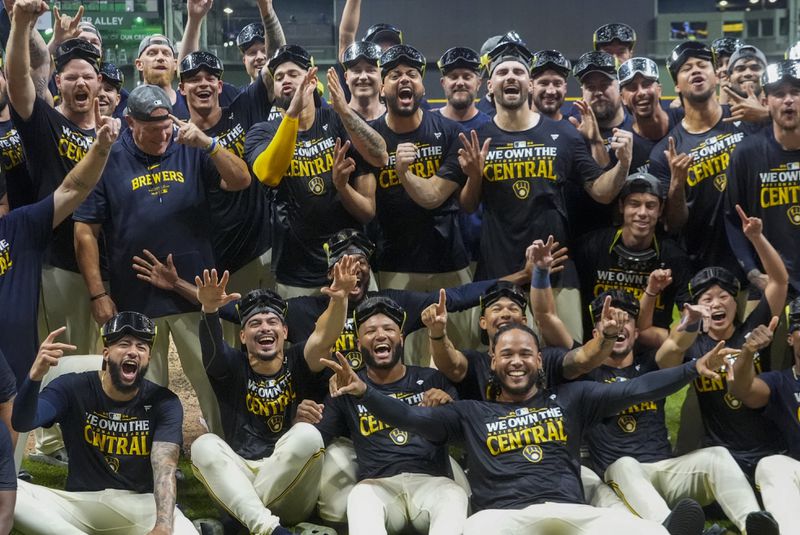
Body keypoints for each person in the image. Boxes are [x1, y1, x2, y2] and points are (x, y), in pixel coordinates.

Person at [321, 321, 737, 535]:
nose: (516, 360)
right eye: (506, 354)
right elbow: (411, 418)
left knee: (647, 532)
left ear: (540, 361)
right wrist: (365, 394)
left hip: (573, 512)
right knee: (473, 530)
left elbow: (637, 389)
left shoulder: (574, 398)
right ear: (493, 362)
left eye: (525, 353)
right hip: (504, 519)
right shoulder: (470, 413)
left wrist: (691, 369)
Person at [73, 84, 251, 437]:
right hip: (135, 295)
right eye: (151, 130)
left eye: (166, 127)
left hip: (194, 291)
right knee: (142, 386)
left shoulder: (190, 146)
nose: (162, 136)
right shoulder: (108, 157)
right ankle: (151, 459)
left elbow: (241, 179)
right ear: (129, 122)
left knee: (210, 375)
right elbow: (84, 231)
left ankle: (229, 450)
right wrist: (97, 293)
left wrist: (208, 143)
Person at [463, 38, 632, 342]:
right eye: (502, 73)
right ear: (489, 87)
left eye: (518, 72)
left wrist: (622, 165)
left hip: (558, 273)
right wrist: (474, 176)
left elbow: (602, 192)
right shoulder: (478, 136)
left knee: (565, 363)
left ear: (529, 84)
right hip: (499, 272)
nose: (510, 77)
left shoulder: (563, 134)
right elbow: (466, 204)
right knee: (500, 368)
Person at [580, 290, 779, 535]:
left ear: (637, 332)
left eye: (626, 320)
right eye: (610, 320)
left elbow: (676, 345)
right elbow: (549, 324)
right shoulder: (583, 373)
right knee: (624, 464)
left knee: (717, 455)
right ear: (595, 333)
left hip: (665, 469)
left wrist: (693, 321)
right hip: (619, 481)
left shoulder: (651, 364)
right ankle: (674, 527)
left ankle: (753, 523)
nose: (619, 325)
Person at [191, 261, 355, 534]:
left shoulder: (300, 360)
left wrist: (339, 300)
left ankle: (241, 521)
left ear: (285, 332)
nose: (265, 328)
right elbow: (212, 350)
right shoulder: (231, 367)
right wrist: (209, 310)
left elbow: (325, 336)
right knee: (203, 445)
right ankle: (269, 528)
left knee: (307, 434)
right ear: (243, 336)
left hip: (288, 482)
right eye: (255, 323)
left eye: (272, 322)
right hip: (242, 468)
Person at [11, 312, 196, 534]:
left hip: (138, 506)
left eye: (142, 347)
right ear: (106, 353)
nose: (133, 352)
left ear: (149, 358)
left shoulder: (164, 402)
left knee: (183, 529)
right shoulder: (71, 387)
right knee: (10, 492)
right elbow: (23, 422)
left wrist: (163, 526)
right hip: (80, 504)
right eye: (124, 344)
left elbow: (165, 469)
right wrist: (34, 377)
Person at [314, 297, 469, 534]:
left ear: (401, 339)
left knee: (453, 494)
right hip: (378, 485)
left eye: (388, 329)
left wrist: (448, 410)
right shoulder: (348, 386)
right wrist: (301, 419)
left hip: (431, 481)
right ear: (358, 344)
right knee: (359, 497)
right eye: (370, 331)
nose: (380, 335)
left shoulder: (432, 379)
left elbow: (465, 432)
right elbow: (317, 438)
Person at [245, 44, 386, 298]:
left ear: (311, 79)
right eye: (278, 77)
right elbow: (269, 174)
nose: (285, 80)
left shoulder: (337, 121)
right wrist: (293, 114)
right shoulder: (262, 132)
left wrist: (344, 111)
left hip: (352, 270)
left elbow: (379, 159)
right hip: (295, 274)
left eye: (293, 74)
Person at [657, 204, 788, 476]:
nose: (716, 303)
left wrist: (756, 238)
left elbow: (779, 281)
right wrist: (690, 322)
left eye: (724, 296)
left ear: (734, 303)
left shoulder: (753, 329)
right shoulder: (693, 343)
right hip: (723, 457)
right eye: (707, 299)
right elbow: (665, 359)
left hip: (768, 449)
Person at [7, 0, 102, 357]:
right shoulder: (46, 123)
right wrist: (19, 25)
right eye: (72, 77)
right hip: (57, 263)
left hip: (106, 264)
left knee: (99, 362)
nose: (80, 82)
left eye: (88, 76)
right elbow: (19, 79)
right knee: (62, 360)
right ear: (58, 82)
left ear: (99, 82)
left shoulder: (115, 132)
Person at [649, 41, 757, 277]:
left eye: (702, 65)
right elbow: (673, 224)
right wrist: (677, 182)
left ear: (717, 76)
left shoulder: (747, 119)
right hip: (705, 270)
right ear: (676, 84)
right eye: (686, 68)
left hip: (759, 258)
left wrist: (768, 116)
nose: (696, 70)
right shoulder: (665, 151)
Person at [177, 50, 274, 300]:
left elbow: (275, 61)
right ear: (182, 88)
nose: (203, 83)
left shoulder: (243, 108)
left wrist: (265, 10)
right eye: (194, 79)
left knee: (279, 332)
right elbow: (240, 180)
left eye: (210, 78)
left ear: (220, 86)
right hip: (230, 262)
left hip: (272, 248)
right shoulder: (182, 144)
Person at [726, 60, 800, 348]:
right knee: (758, 368)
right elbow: (732, 219)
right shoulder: (747, 153)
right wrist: (753, 273)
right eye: (779, 94)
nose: (789, 100)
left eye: (795, 91)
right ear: (766, 101)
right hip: (769, 285)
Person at [574, 173, 690, 346]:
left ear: (660, 210)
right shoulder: (591, 247)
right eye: (634, 204)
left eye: (650, 206)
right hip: (596, 349)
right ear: (621, 206)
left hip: (650, 354)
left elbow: (686, 318)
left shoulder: (675, 257)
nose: (642, 213)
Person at [729, 301, 800, 535]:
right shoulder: (781, 382)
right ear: (790, 338)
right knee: (771, 464)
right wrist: (747, 352)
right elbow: (742, 389)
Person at [618, 57, 674, 174]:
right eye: (632, 87)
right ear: (622, 98)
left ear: (659, 90)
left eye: (646, 84)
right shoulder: (624, 146)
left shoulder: (684, 119)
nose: (641, 92)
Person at [135, 34, 189, 119]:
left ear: (175, 64)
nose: (160, 58)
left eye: (166, 54)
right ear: (139, 64)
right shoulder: (129, 109)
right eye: (152, 53)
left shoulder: (189, 104)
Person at [436, 46, 490, 129]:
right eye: (453, 77)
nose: (460, 83)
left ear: (478, 83)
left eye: (467, 77)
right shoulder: (428, 125)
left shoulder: (490, 127)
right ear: (443, 83)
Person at [723, 45, 769, 124]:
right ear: (728, 79)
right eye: (740, 69)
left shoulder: (782, 112)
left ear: (767, 76)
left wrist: (768, 116)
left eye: (755, 68)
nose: (748, 74)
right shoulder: (717, 116)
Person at [341, 40, 385, 121]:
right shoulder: (335, 119)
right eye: (356, 71)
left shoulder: (395, 119)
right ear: (346, 77)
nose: (363, 77)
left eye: (370, 70)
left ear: (381, 76)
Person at [530, 49, 571, 121]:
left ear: (565, 88)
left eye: (557, 84)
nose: (551, 91)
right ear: (530, 85)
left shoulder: (574, 128)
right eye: (543, 83)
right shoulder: (514, 128)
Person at [711, 37, 743, 105]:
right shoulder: (706, 100)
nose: (724, 69)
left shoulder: (759, 96)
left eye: (729, 63)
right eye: (719, 65)